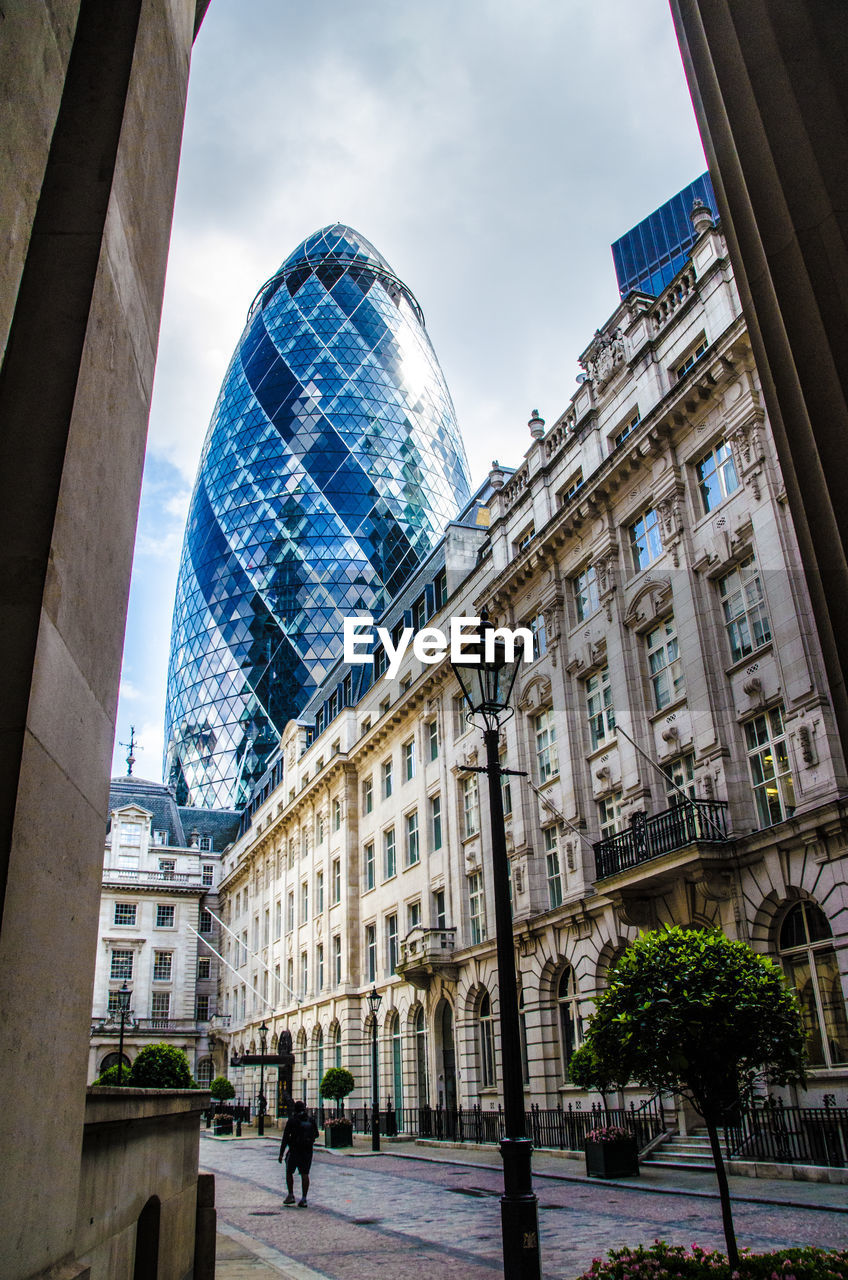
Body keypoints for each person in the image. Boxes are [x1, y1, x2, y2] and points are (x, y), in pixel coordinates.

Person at [278, 1099, 319, 1207]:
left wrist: (281, 1153)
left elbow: (285, 1138)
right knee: (305, 1174)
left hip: (295, 1150)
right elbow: (317, 1134)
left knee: (289, 1172)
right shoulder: (311, 1120)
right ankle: (304, 1198)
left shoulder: (292, 1120)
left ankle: (291, 1194)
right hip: (307, 1151)